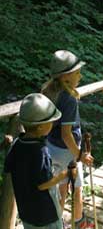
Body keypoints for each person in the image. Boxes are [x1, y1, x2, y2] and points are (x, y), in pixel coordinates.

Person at [4, 93, 76, 229]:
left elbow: (9, 168)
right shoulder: (40, 150)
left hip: (26, 211)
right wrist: (65, 174)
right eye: (51, 122)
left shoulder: (17, 144)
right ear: (40, 127)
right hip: (45, 214)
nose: (53, 124)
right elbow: (43, 185)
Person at [42, 50, 94, 229]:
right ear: (66, 77)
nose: (80, 75)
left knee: (62, 188)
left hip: (51, 147)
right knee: (77, 187)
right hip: (66, 152)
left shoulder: (49, 91)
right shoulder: (69, 100)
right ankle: (79, 222)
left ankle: (58, 224)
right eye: (77, 72)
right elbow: (67, 134)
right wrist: (80, 156)